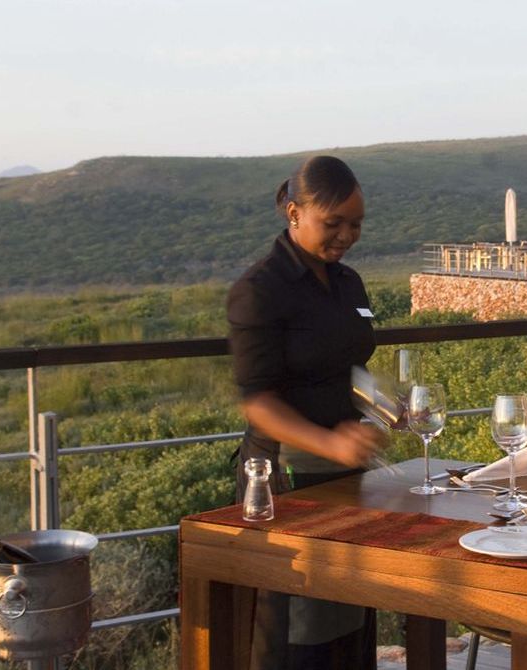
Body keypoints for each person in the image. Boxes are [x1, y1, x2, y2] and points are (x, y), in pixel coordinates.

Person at [227, 155, 388, 670]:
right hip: (286, 478)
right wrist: (332, 443)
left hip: (345, 475)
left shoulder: (348, 283)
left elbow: (348, 366)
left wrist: (383, 403)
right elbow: (259, 400)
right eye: (333, 223)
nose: (346, 235)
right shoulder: (259, 291)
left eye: (356, 224)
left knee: (348, 612)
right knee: (296, 627)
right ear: (294, 213)